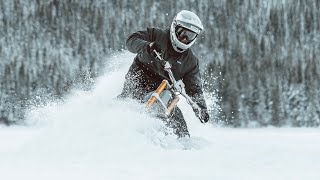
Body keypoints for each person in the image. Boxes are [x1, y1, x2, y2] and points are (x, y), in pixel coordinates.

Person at [118, 10, 209, 137]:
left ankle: (183, 146)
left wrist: (201, 108)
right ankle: (121, 124)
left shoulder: (191, 61)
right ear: (174, 27)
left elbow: (194, 89)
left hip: (163, 89)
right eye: (182, 33)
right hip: (139, 77)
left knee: (177, 119)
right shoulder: (156, 34)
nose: (184, 38)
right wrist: (147, 46)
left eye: (190, 36)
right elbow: (131, 40)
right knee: (131, 102)